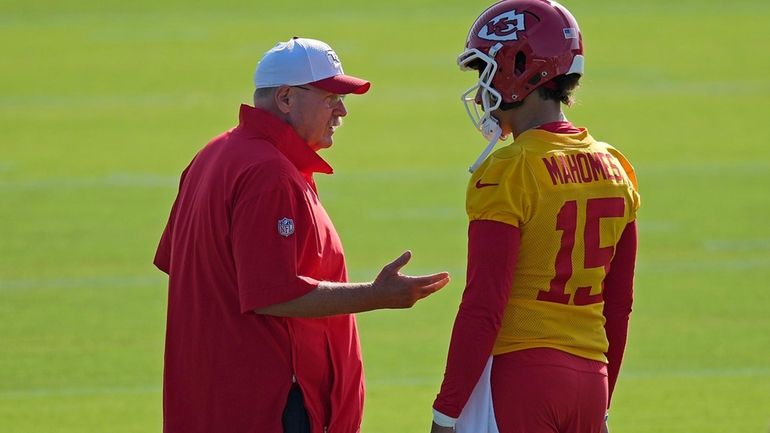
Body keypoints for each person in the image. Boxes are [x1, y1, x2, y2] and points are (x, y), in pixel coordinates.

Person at [153, 37, 450, 433]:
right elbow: (272, 293)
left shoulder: (215, 154)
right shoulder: (268, 174)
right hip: (266, 405)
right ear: (287, 98)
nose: (342, 111)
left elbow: (182, 265)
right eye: (331, 98)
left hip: (213, 399)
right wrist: (376, 296)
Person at [430, 1, 640, 433]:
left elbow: (484, 306)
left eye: (486, 70)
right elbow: (618, 307)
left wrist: (445, 412)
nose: (482, 87)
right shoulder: (616, 166)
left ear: (520, 68)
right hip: (591, 379)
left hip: (519, 378)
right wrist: (601, 405)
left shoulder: (509, 170)